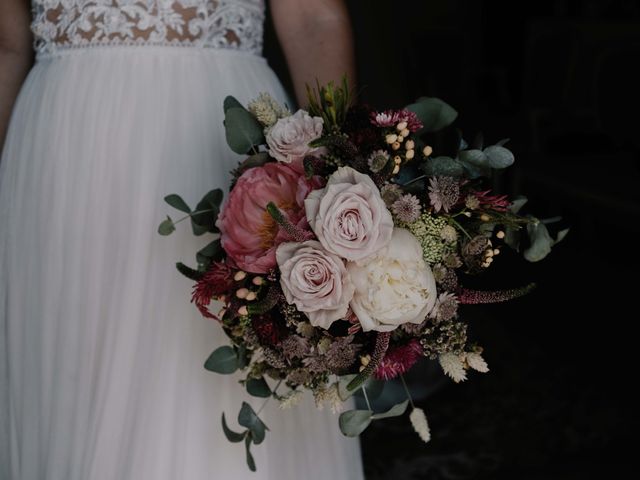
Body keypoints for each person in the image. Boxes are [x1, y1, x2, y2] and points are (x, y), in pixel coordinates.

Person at [0, 1, 363, 479]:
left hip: (219, 125)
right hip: (63, 149)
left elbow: (313, 17)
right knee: (74, 373)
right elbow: (7, 41)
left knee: (206, 376)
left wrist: (344, 177)